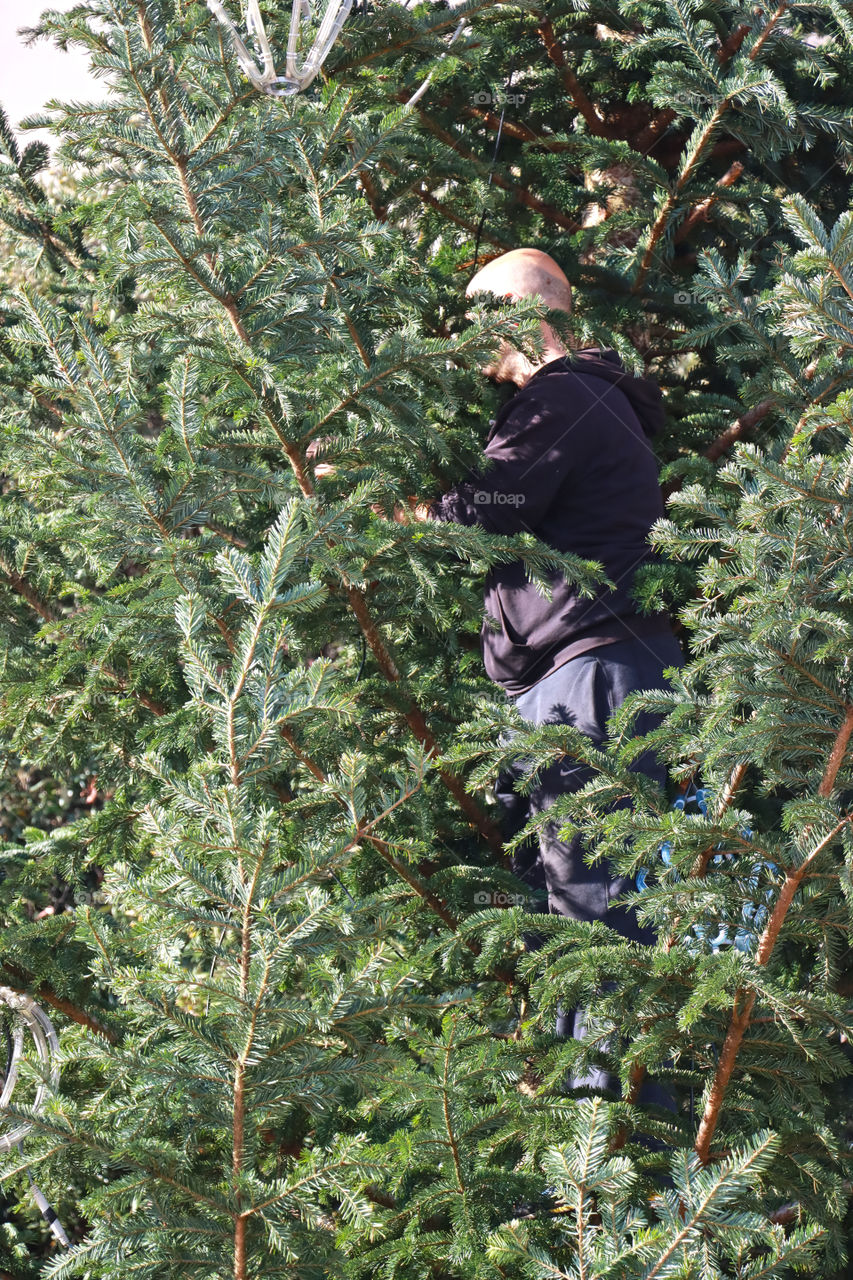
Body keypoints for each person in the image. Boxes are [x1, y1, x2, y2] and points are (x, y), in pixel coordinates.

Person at [424, 247, 684, 1096]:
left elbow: (484, 511)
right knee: (583, 904)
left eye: (476, 318)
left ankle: (607, 1154)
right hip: (583, 675)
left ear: (522, 314)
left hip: (591, 680)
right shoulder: (591, 404)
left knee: (594, 915)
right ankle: (595, 1130)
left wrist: (385, 509)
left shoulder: (563, 397)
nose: (464, 342)